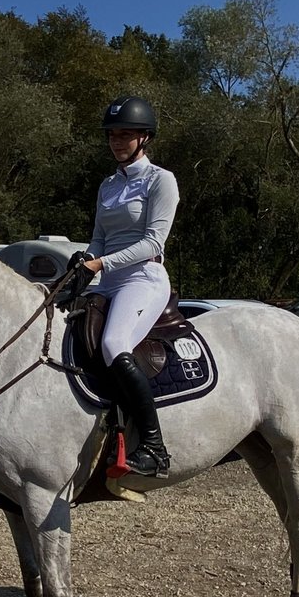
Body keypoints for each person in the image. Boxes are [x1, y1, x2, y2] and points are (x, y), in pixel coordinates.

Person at [67, 96, 179, 477]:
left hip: (143, 278)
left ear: (145, 137)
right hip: (108, 279)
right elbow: (99, 238)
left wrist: (100, 263)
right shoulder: (108, 185)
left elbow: (153, 242)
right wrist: (86, 260)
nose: (117, 142)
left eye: (126, 134)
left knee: (115, 343)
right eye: (112, 135)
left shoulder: (161, 181)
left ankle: (154, 447)